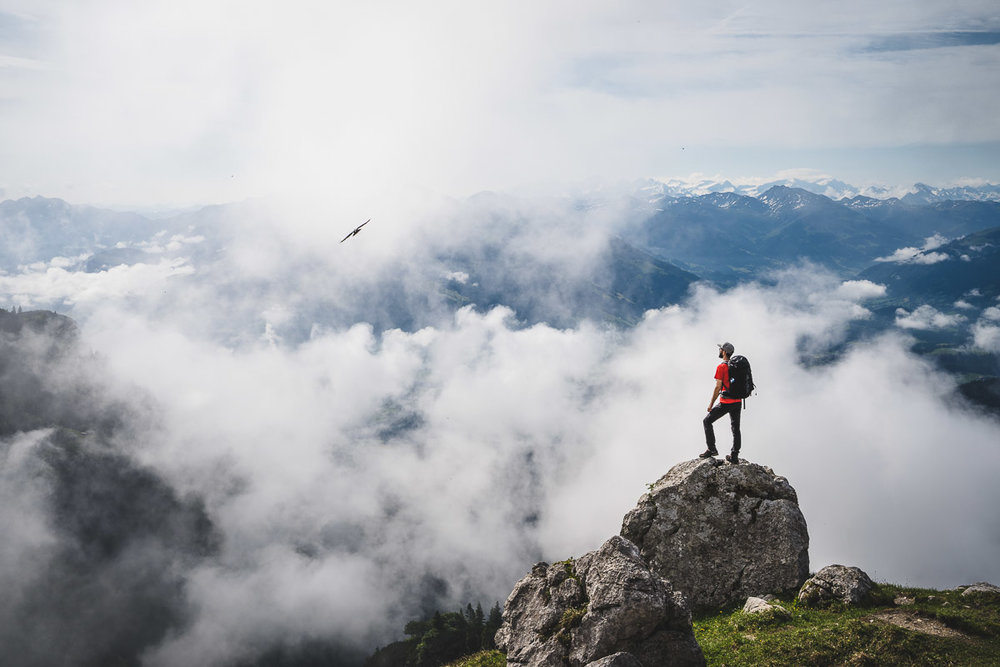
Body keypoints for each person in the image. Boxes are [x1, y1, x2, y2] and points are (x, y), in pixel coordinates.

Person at [699, 342, 742, 464]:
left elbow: (718, 387)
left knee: (707, 421)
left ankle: (711, 449)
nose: (719, 351)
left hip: (726, 402)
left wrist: (711, 404)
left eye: (720, 349)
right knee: (736, 429)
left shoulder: (722, 367)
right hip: (737, 401)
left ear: (723, 351)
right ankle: (734, 456)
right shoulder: (736, 366)